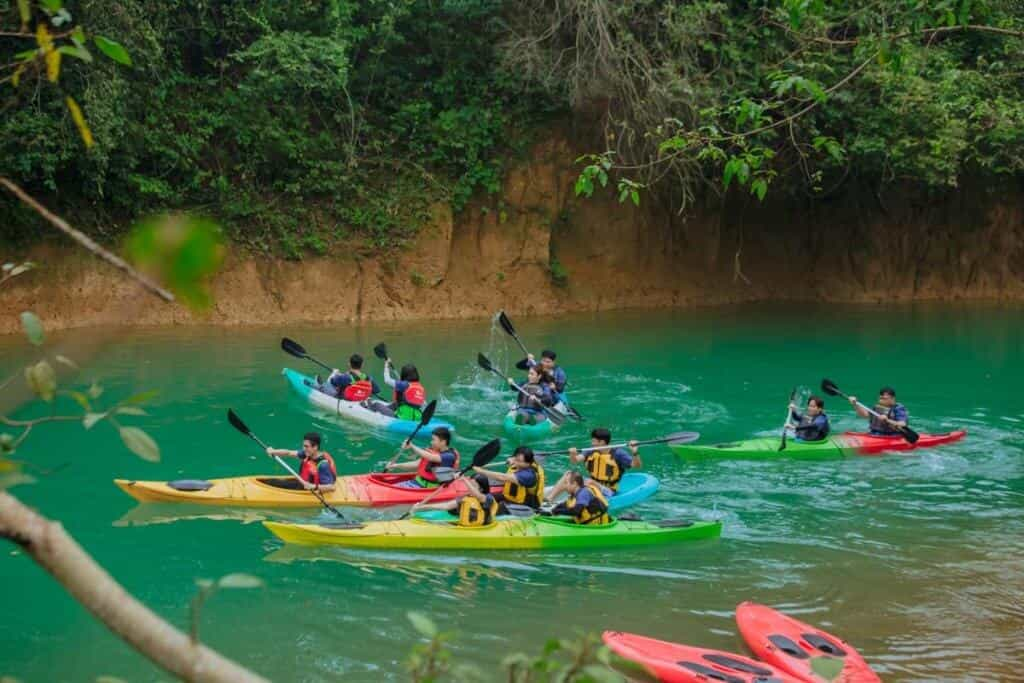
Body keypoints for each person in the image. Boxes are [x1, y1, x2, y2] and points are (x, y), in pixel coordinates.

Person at [547, 428, 640, 499]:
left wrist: (635, 452)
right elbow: (575, 460)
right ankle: (549, 499)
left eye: (594, 441)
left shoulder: (618, 453)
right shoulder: (591, 451)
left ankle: (575, 500)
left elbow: (636, 465)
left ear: (602, 442)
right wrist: (573, 454)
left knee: (589, 482)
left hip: (609, 491)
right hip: (592, 484)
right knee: (569, 474)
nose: (592, 443)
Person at [473, 445, 545, 513]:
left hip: (526, 506)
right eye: (515, 459)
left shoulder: (528, 475)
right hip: (510, 498)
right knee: (486, 498)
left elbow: (502, 477)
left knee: (500, 506)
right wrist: (512, 458)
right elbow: (517, 458)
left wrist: (481, 471)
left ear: (528, 463)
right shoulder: (520, 463)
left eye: (519, 461)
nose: (515, 462)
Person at [411, 474, 498, 527]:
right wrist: (421, 507)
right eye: (469, 485)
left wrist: (464, 479)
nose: (468, 488)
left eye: (473, 485)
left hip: (481, 528)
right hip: (463, 526)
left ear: (481, 488)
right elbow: (446, 506)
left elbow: (478, 496)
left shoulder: (487, 498)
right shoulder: (467, 498)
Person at [386, 426, 459, 488]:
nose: (431, 442)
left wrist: (412, 446)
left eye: (434, 440)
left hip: (428, 488)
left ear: (443, 442)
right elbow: (416, 464)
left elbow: (431, 457)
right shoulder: (433, 451)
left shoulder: (449, 456)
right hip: (416, 482)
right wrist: (395, 466)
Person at [265, 432, 337, 492]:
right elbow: (288, 453)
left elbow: (332, 487)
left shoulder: (323, 465)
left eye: (306, 446)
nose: (303, 448)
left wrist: (313, 486)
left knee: (272, 483)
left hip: (310, 490)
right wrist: (274, 451)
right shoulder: (308, 454)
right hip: (302, 482)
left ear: (315, 447)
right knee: (271, 482)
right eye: (303, 446)